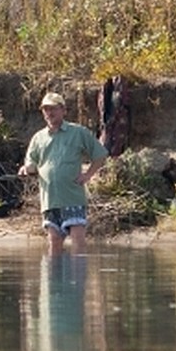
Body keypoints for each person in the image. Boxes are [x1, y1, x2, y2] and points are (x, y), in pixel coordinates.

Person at [18, 92, 109, 255]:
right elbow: (31, 163)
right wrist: (26, 169)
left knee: (78, 240)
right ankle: (55, 279)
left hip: (72, 196)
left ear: (63, 110)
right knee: (54, 242)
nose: (49, 113)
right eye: (46, 109)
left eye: (53, 109)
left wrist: (88, 175)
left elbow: (100, 154)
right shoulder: (38, 138)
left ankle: (77, 277)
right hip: (50, 199)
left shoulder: (78, 132)